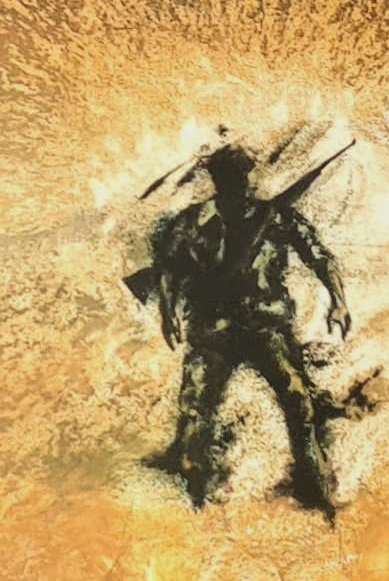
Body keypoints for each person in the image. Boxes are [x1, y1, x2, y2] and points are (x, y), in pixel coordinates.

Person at [132, 141, 351, 516]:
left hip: (266, 328)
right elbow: (168, 268)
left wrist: (339, 300)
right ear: (218, 181)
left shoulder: (275, 218)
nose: (240, 185)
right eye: (231, 178)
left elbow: (319, 257)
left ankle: (311, 486)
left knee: (298, 403)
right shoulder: (192, 222)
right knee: (197, 410)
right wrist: (168, 313)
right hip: (214, 332)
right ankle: (190, 485)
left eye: (241, 178)